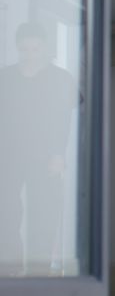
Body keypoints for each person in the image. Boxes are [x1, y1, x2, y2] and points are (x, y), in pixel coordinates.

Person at [0, 22, 77, 276]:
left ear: (44, 48)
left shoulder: (61, 79)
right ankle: (10, 268)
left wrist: (58, 154)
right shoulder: (6, 77)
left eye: (35, 48)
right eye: (24, 49)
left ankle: (39, 270)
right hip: (9, 154)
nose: (29, 54)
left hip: (45, 156)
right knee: (7, 212)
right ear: (17, 49)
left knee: (44, 213)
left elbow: (63, 119)